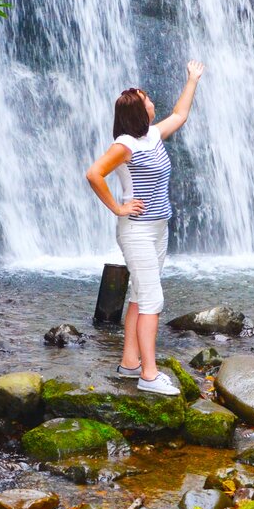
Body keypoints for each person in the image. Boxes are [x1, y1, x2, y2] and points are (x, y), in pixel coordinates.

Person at [85, 60, 205, 396]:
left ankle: (129, 363)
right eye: (147, 98)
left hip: (158, 228)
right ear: (139, 109)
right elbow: (94, 174)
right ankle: (148, 375)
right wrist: (118, 207)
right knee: (152, 299)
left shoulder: (151, 134)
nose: (152, 101)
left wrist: (192, 80)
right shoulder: (125, 144)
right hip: (136, 229)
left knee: (139, 296)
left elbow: (180, 115)